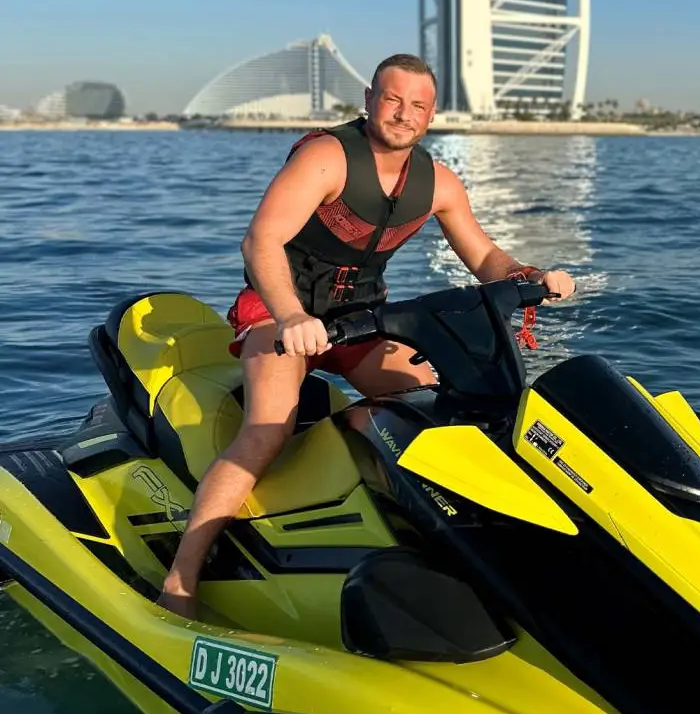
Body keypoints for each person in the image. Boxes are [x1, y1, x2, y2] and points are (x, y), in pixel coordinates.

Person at [159, 53, 576, 615]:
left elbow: (483, 256)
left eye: (418, 106)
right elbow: (261, 241)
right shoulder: (325, 159)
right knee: (267, 430)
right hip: (280, 312)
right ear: (370, 99)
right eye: (393, 99)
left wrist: (531, 277)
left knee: (437, 400)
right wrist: (289, 317)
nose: (404, 114)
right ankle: (181, 577)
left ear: (431, 116)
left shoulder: (438, 182)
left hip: (362, 318)